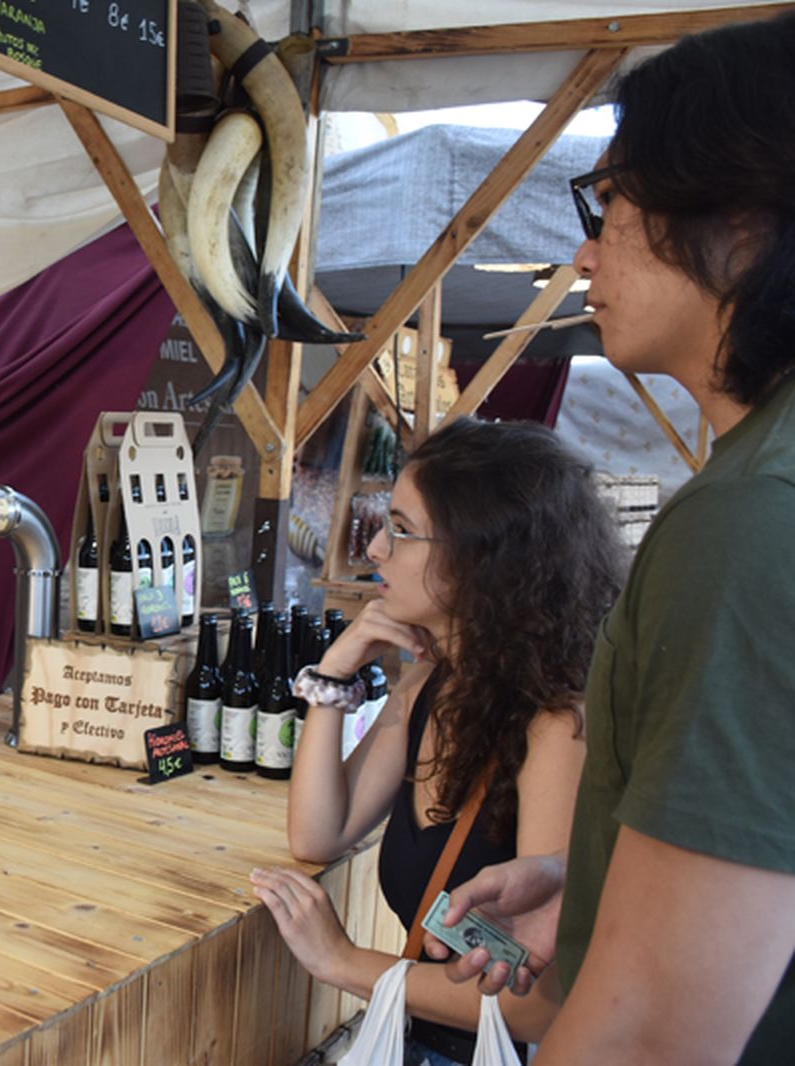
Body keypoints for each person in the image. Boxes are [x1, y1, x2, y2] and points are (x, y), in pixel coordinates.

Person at [423, 12, 795, 1063]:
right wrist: (595, 881)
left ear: (744, 223)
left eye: (610, 200)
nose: (584, 247)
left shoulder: (748, 519)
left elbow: (648, 1040)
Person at [249, 419, 624, 1063]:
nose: (374, 550)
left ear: (483, 556)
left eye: (400, 529)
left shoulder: (557, 726)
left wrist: (343, 962)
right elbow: (319, 832)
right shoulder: (432, 683)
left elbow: (535, 1006)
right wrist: (334, 672)